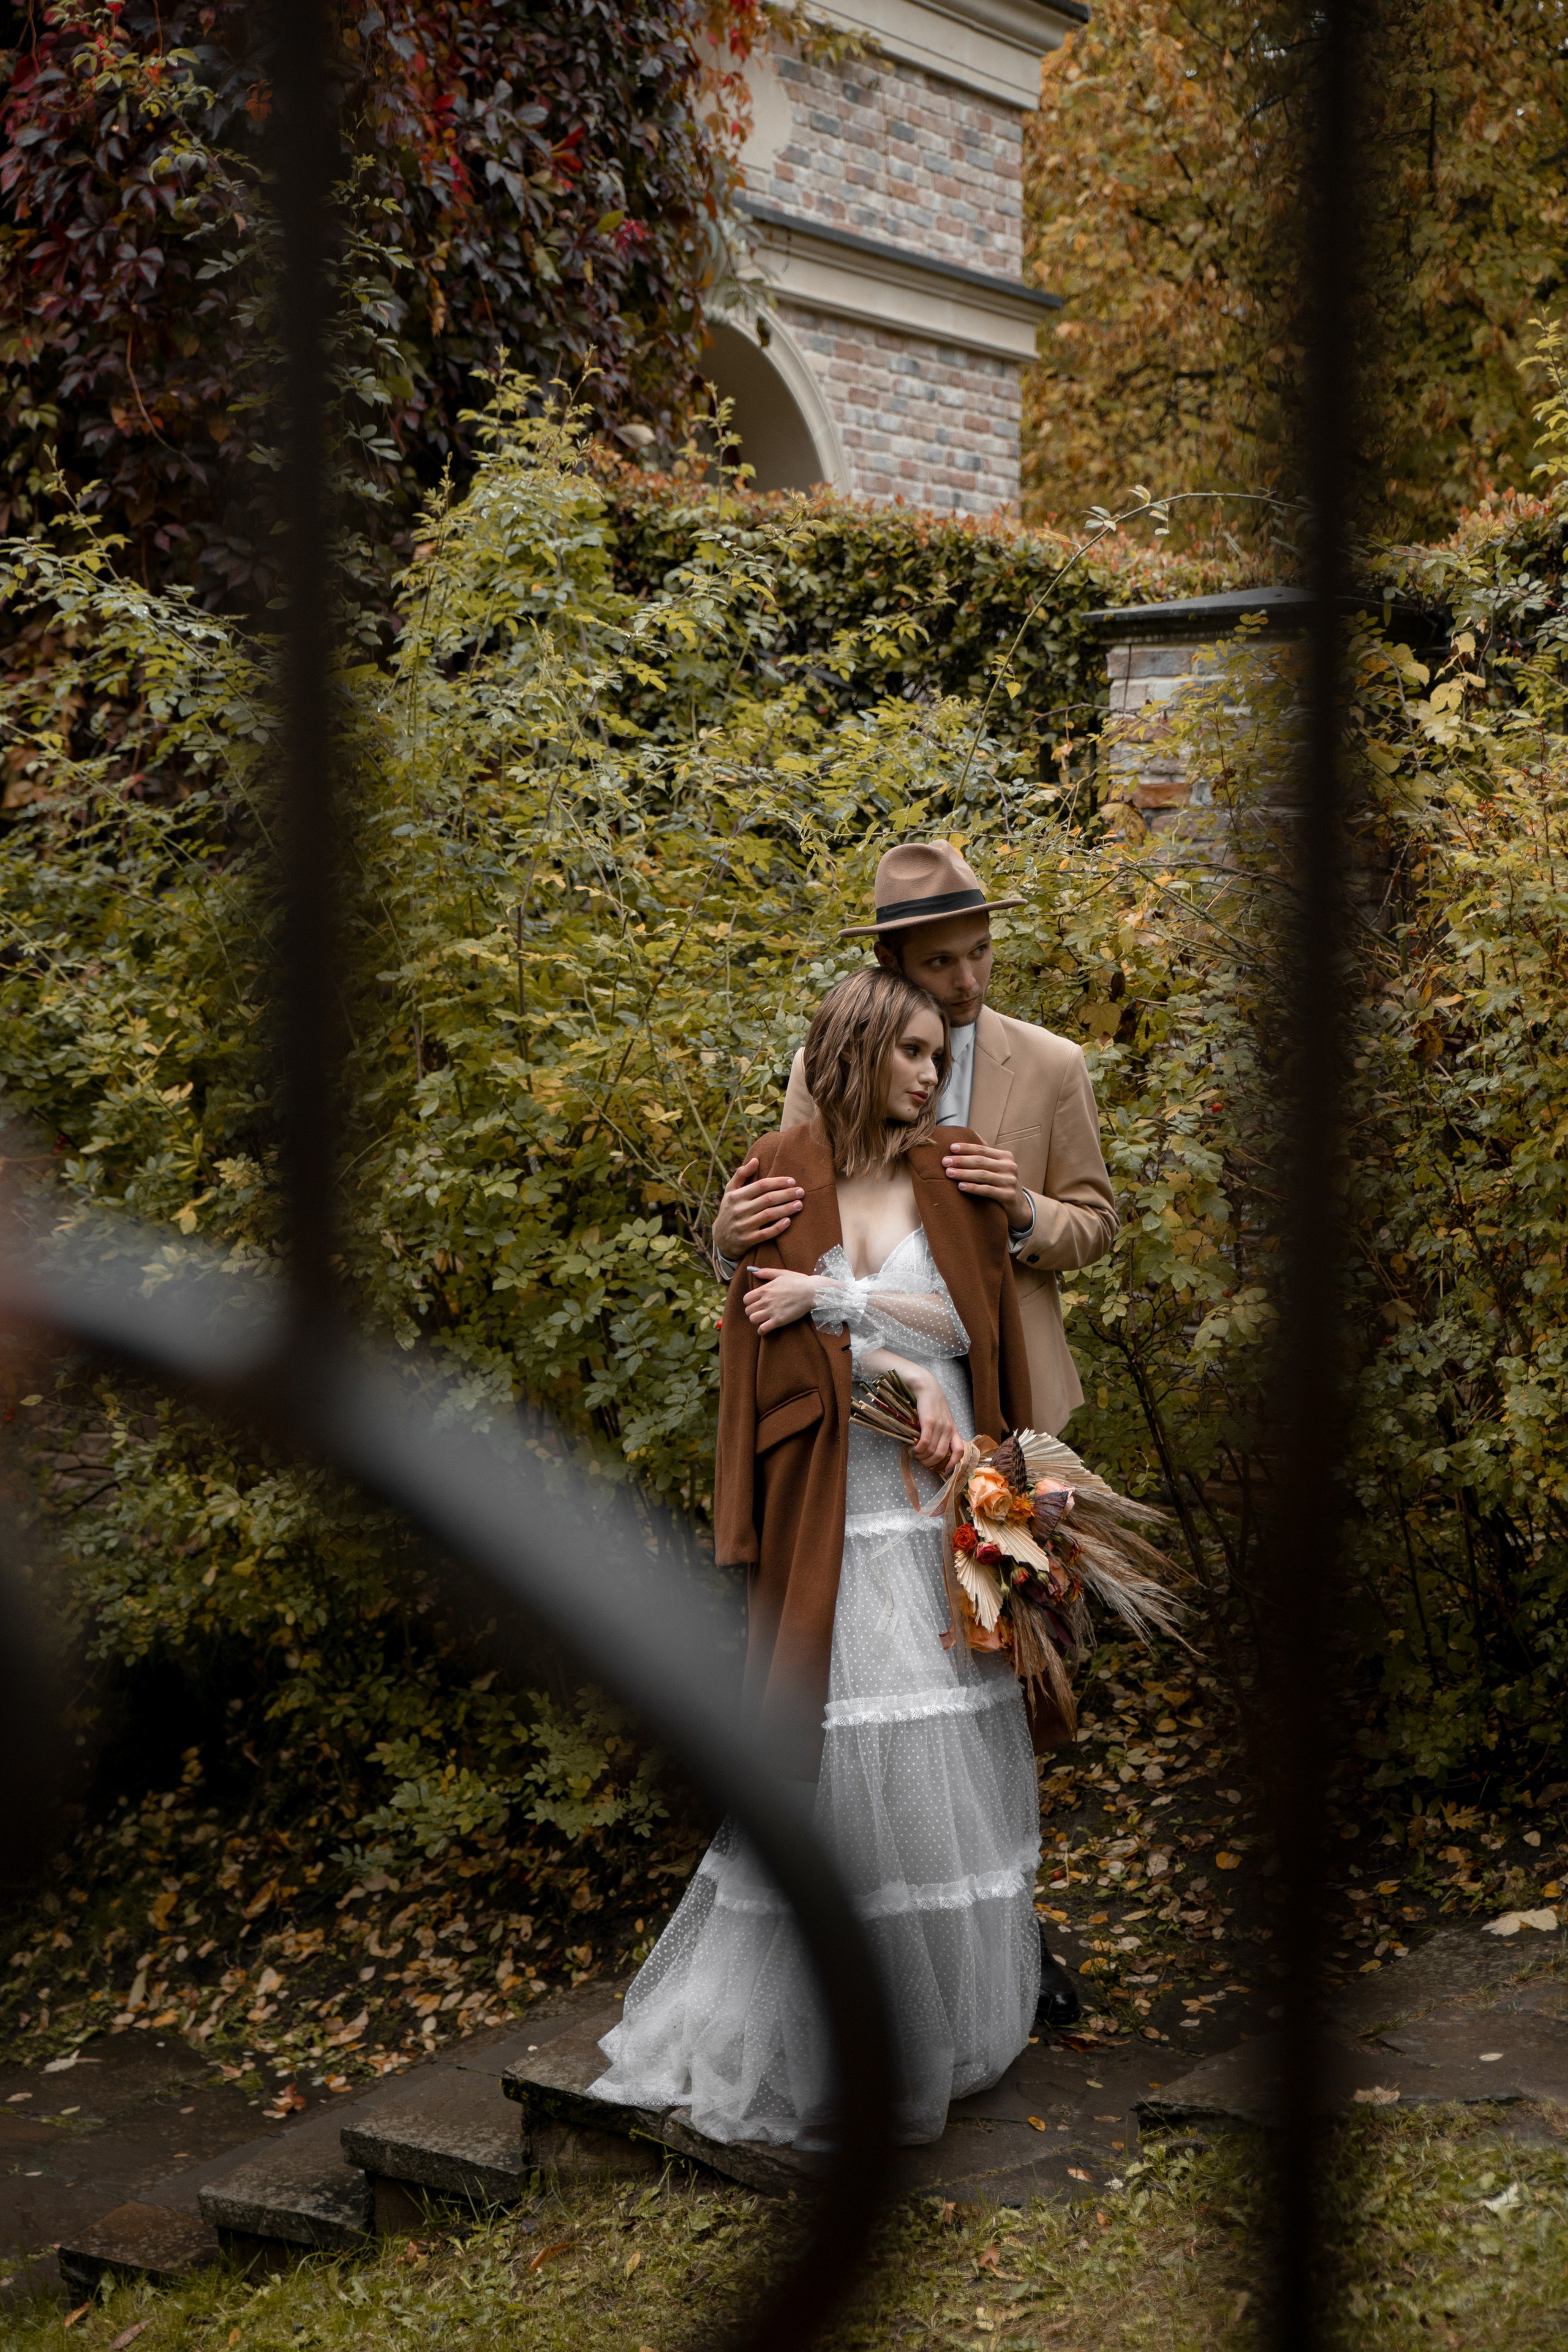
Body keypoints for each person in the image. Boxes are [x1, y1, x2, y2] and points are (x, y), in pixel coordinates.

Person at [587, 968, 1042, 2149]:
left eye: (938, 1055)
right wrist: (812, 1305)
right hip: (834, 1496)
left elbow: (971, 1321)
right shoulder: (782, 1169)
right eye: (909, 1052)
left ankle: (939, 2027)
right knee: (847, 1735)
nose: (931, 1073)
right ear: (854, 1051)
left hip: (935, 1484)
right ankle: (836, 2039)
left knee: (943, 1737)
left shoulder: (950, 1168)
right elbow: (757, 1315)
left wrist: (843, 1310)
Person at [710, 839, 1118, 2027]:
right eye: (941, 963)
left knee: (1002, 1671)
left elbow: (1095, 1221)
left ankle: (1002, 1937)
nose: (968, 980)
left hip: (1006, 1406)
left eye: (980, 953)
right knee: (881, 1678)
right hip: (867, 1420)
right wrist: (728, 1236)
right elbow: (794, 1222)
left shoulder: (1050, 1066)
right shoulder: (827, 1064)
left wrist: (1022, 1211)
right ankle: (902, 1957)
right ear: (892, 965)